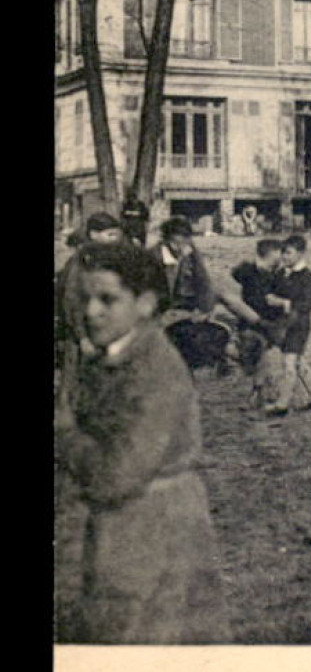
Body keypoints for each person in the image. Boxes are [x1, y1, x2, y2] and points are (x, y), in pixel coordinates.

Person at [54, 242, 228, 643]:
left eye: (107, 299)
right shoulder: (106, 355)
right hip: (118, 531)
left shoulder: (154, 370)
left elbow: (117, 475)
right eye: (85, 298)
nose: (91, 310)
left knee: (144, 647)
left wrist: (64, 434)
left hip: (151, 533)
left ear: (146, 303)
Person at [150, 216, 247, 374]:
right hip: (166, 307)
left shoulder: (191, 252)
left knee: (226, 297)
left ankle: (258, 324)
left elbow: (203, 281)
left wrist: (204, 310)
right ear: (166, 240)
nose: (180, 247)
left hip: (188, 301)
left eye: (184, 242)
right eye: (176, 244)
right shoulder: (153, 257)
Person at [56, 212, 126, 370]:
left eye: (116, 235)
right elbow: (72, 300)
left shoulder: (109, 259)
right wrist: (82, 337)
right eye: (110, 235)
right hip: (82, 337)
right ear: (94, 235)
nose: (115, 239)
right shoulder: (81, 262)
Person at [265, 234, 311, 417]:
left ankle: (282, 404)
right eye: (283, 252)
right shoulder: (280, 273)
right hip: (283, 324)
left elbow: (307, 304)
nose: (284, 257)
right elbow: (270, 291)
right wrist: (270, 299)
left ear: (301, 254)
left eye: (288, 253)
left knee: (289, 363)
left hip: (299, 325)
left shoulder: (308, 277)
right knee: (297, 360)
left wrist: (283, 303)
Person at [228, 238, 287, 410]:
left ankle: (309, 393)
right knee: (250, 355)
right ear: (262, 256)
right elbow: (233, 277)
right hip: (251, 321)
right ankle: (260, 391)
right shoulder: (245, 270)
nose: (277, 263)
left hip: (274, 321)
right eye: (274, 260)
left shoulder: (280, 274)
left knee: (285, 353)